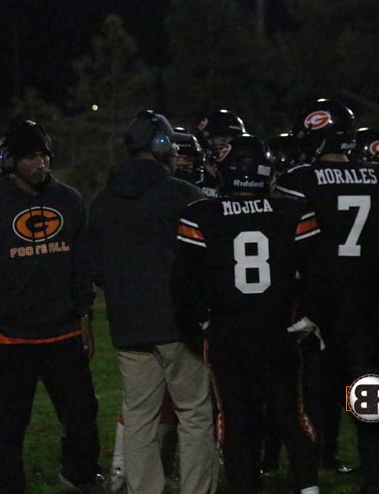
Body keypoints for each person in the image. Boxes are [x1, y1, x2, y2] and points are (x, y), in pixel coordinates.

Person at [0, 120, 103, 494]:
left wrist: (85, 317)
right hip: (9, 339)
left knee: (82, 416)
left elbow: (82, 266)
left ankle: (79, 475)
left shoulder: (69, 200)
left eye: (44, 156)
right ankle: (9, 485)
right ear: (11, 161)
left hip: (62, 333)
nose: (40, 164)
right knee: (6, 425)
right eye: (31, 157)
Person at [276, 98, 379, 494]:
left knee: (312, 398)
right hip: (368, 304)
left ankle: (306, 479)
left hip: (316, 305)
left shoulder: (299, 179)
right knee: (370, 396)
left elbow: (283, 245)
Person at [172, 135, 321, 494]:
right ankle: (308, 487)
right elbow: (318, 273)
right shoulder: (292, 211)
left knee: (236, 420)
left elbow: (182, 283)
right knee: (291, 415)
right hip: (279, 331)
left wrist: (204, 321)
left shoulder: (201, 214)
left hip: (229, 334)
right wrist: (307, 317)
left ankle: (245, 484)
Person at [88, 110, 217, 494]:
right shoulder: (182, 194)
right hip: (179, 323)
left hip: (129, 324)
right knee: (194, 413)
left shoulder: (102, 200)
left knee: (139, 416)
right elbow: (205, 260)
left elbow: (95, 267)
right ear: (161, 145)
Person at [196, 109, 248, 198]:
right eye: (222, 139)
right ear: (205, 139)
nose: (229, 146)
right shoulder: (193, 173)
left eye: (234, 141)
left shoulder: (243, 176)